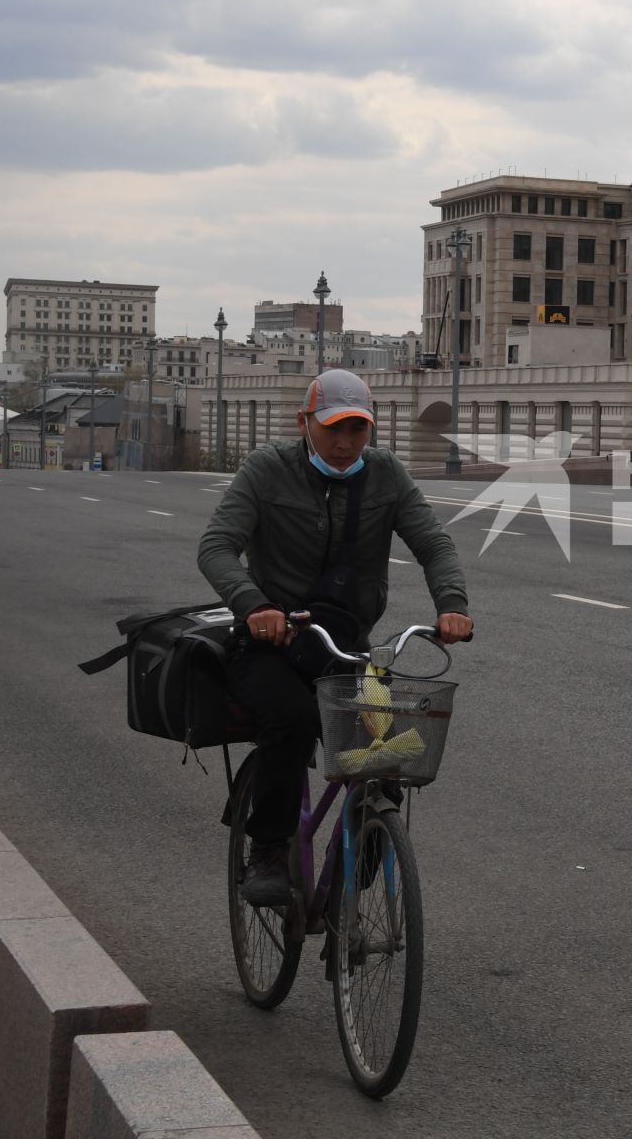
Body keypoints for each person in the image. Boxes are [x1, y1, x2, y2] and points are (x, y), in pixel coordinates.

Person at [198, 369, 473, 905]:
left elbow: (434, 545)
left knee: (385, 754)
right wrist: (254, 605)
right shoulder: (266, 470)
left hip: (342, 647)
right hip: (268, 644)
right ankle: (269, 849)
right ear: (305, 423)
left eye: (357, 430)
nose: (345, 444)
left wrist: (452, 606)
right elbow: (216, 547)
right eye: (332, 429)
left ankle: (353, 882)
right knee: (293, 721)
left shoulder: (386, 475)